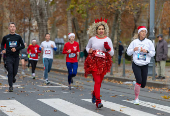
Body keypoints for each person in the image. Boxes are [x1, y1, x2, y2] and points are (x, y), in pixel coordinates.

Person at [84, 18, 114, 108]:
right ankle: (98, 101)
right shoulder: (92, 39)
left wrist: (108, 48)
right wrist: (89, 50)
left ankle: (94, 93)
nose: (101, 30)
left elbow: (112, 53)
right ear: (96, 30)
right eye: (99, 29)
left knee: (99, 82)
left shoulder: (108, 39)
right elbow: (87, 48)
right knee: (97, 81)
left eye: (102, 29)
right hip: (93, 62)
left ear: (105, 30)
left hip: (103, 63)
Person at [127, 26, 155, 105]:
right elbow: (128, 52)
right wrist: (133, 50)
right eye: (142, 31)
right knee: (139, 80)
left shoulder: (149, 42)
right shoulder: (134, 42)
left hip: (145, 64)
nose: (143, 33)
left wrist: (147, 51)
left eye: (145, 32)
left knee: (143, 84)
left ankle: (136, 84)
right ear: (139, 33)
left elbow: (153, 53)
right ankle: (136, 98)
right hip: (136, 64)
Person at [1, 22, 25, 92]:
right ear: (9, 28)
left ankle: (13, 78)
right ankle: (10, 86)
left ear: (15, 28)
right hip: (8, 56)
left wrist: (16, 49)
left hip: (16, 56)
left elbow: (23, 45)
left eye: (13, 26)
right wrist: (3, 49)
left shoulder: (18, 37)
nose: (12, 28)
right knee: (10, 71)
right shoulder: (6, 37)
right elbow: (2, 44)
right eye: (11, 26)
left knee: (15, 71)